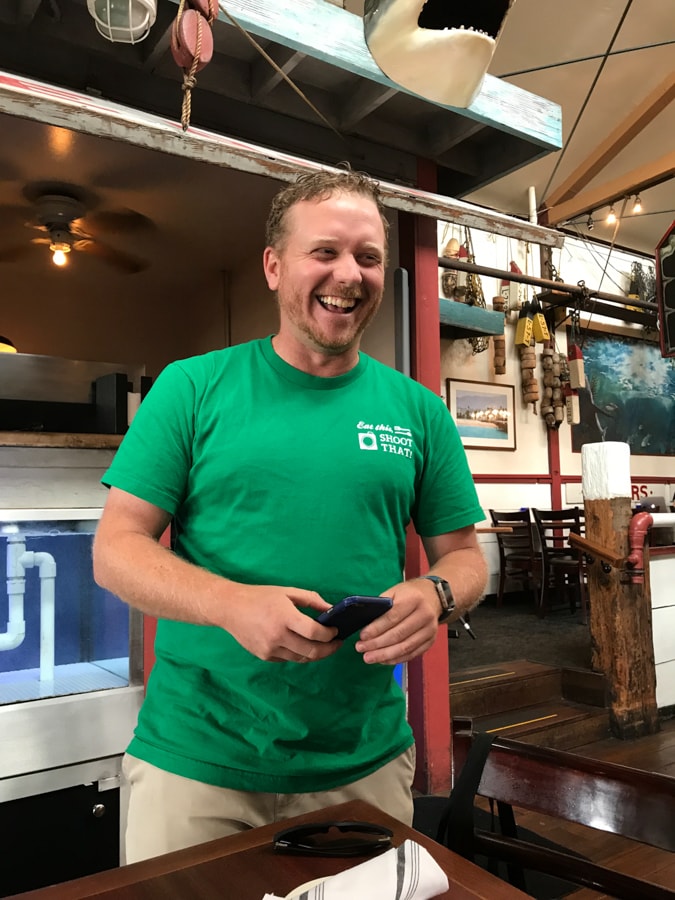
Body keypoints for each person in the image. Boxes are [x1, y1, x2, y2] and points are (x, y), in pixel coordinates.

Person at [93, 167, 487, 863]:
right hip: (197, 765)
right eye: (324, 252)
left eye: (367, 257)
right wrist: (230, 604)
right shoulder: (193, 387)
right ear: (274, 267)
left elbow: (463, 555)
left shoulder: (419, 412)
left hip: (362, 765)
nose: (349, 274)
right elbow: (116, 550)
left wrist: (437, 592)